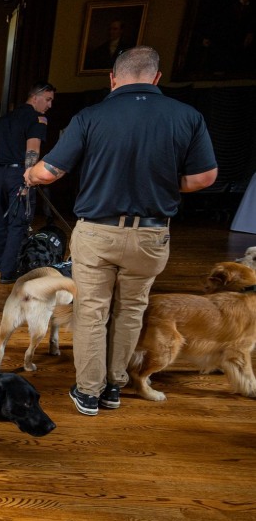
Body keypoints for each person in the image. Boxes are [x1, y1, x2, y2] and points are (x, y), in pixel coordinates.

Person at [23, 47, 218, 416]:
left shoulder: (91, 116)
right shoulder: (187, 116)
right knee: (131, 311)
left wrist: (30, 174)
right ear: (156, 77)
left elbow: (49, 172)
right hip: (151, 235)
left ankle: (88, 393)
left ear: (113, 78)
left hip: (98, 233)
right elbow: (204, 177)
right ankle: (114, 386)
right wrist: (164, 185)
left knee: (92, 311)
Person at [0, 81, 55, 283]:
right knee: (18, 223)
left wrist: (5, 151)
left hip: (0, 175)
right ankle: (8, 272)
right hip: (19, 175)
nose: (49, 105)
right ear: (35, 97)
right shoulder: (37, 119)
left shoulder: (5, 119)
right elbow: (33, 150)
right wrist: (30, 175)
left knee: (0, 219)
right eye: (48, 100)